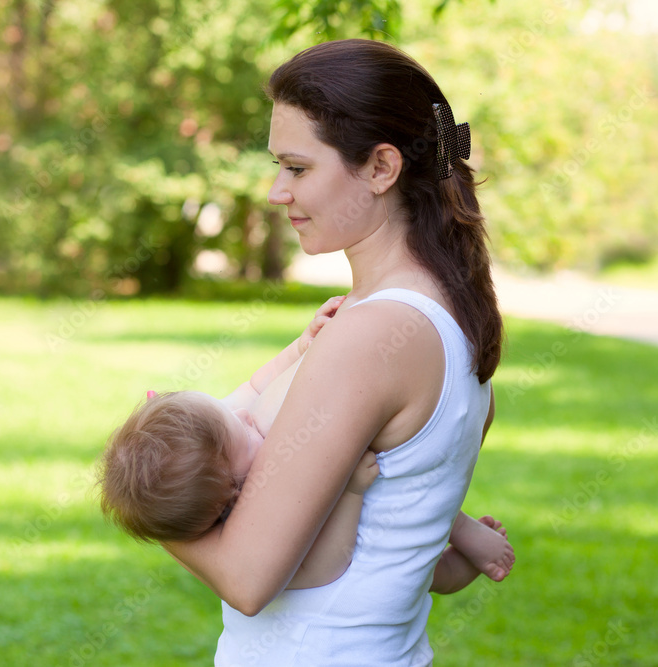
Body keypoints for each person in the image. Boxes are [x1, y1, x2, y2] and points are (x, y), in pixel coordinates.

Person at [160, 38, 508, 666]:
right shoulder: (451, 318)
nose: (275, 192)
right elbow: (405, 553)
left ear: (381, 167)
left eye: (297, 168)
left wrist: (142, 493)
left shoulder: (374, 335)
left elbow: (246, 577)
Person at [98, 296, 514, 590]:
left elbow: (253, 385)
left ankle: (463, 536)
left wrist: (302, 346)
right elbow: (325, 568)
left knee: (410, 534)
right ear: (232, 493)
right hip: (354, 586)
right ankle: (464, 557)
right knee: (420, 576)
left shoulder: (225, 443)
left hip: (395, 515)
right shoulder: (257, 522)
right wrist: (351, 491)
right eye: (244, 433)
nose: (247, 414)